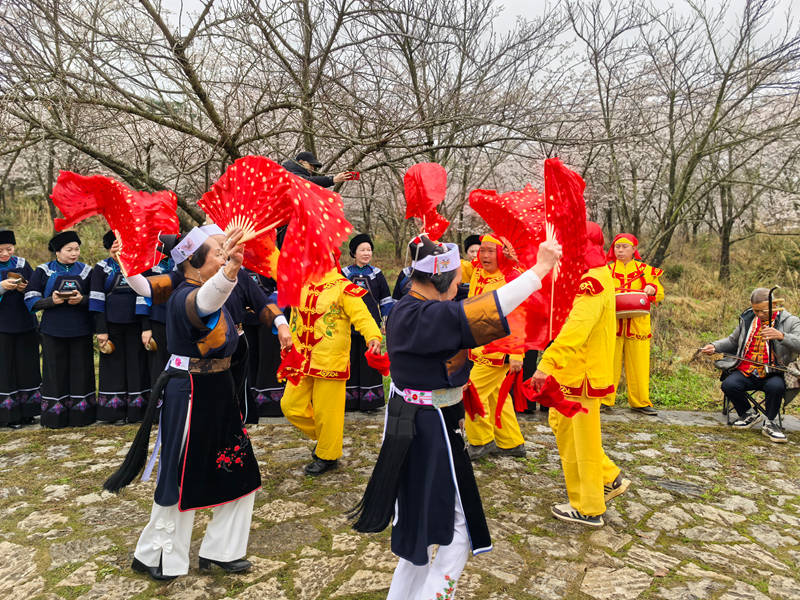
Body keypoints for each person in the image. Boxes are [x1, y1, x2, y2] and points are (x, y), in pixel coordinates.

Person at [350, 233, 561, 600]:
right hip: (428, 427)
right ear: (438, 281)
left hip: (416, 420)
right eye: (456, 284)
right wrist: (540, 269)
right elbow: (488, 308)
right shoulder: (424, 316)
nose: (459, 289)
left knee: (419, 528)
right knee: (459, 530)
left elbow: (478, 303)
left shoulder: (407, 306)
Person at [108, 226, 261, 581]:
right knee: (179, 476)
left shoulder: (191, 285)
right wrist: (231, 272)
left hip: (218, 388)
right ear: (193, 263)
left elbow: (147, 285)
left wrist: (228, 271)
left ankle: (223, 551)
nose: (225, 256)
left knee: (240, 468)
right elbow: (204, 301)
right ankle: (157, 556)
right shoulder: (185, 296)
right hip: (189, 390)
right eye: (219, 253)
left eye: (226, 253)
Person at [533, 222, 630, 527]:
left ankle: (589, 507)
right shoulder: (596, 275)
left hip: (581, 376)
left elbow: (577, 330)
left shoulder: (593, 282)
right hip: (575, 372)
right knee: (562, 426)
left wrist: (546, 362)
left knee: (582, 442)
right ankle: (607, 477)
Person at [280, 263, 382, 476]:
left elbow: (362, 316)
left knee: (327, 412)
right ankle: (328, 438)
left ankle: (328, 455)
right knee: (290, 405)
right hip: (301, 359)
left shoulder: (342, 287)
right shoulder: (299, 282)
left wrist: (373, 337)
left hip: (330, 361)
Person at [700, 287, 800, 443]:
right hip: (747, 369)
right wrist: (714, 346)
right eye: (755, 311)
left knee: (776, 387)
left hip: (774, 371)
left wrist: (781, 336)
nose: (759, 315)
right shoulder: (748, 319)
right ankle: (749, 414)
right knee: (729, 384)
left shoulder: (790, 321)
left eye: (763, 311)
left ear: (774, 305)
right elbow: (732, 341)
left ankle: (771, 423)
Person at [464, 234, 526, 459]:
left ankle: (480, 442)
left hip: (499, 348)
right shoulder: (478, 270)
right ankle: (511, 443)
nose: (485, 255)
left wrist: (517, 352)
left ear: (502, 253)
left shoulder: (511, 277)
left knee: (472, 391)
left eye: (491, 251)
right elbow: (455, 266)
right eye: (482, 250)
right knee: (496, 395)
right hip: (479, 344)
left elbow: (520, 315)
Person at [25, 231, 96, 428]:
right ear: (57, 252)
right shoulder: (43, 271)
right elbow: (30, 299)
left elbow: (98, 298)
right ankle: (55, 417)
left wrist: (82, 300)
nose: (74, 253)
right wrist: (51, 301)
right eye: (69, 250)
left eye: (77, 249)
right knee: (54, 372)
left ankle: (82, 416)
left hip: (81, 329)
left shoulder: (86, 270)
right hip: (52, 330)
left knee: (81, 370)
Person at [90, 231, 151, 424]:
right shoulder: (101, 268)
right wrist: (101, 329)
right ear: (109, 248)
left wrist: (146, 327)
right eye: (116, 246)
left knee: (136, 365)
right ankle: (114, 412)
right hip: (111, 325)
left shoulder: (138, 265)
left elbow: (145, 296)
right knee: (113, 367)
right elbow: (97, 299)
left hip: (135, 324)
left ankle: (137, 410)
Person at [604, 233, 664, 415]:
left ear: (634, 250)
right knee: (608, 364)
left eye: (624, 247)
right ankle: (605, 400)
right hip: (613, 324)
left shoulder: (645, 270)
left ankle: (640, 402)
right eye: (617, 247)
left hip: (638, 325)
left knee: (639, 365)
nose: (620, 250)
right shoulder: (606, 270)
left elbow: (659, 293)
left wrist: (652, 288)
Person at [342, 233, 393, 412]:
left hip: (371, 325)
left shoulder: (377, 274)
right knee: (351, 360)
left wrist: (386, 320)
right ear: (353, 253)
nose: (366, 253)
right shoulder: (344, 273)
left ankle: (371, 401)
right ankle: (348, 401)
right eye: (362, 250)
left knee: (370, 361)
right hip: (348, 326)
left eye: (369, 250)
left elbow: (385, 299)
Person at [0, 229, 41, 428]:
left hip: (25, 322)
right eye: (0, 250)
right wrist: (2, 287)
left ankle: (29, 411)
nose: (5, 254)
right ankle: (9, 415)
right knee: (5, 369)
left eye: (9, 249)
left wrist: (27, 288)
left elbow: (35, 287)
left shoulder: (23, 264)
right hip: (2, 326)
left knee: (28, 366)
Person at [281, 151, 352, 189]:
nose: (313, 168)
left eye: (314, 166)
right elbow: (307, 181)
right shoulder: (289, 172)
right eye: (311, 165)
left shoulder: (291, 169)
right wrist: (333, 179)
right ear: (301, 162)